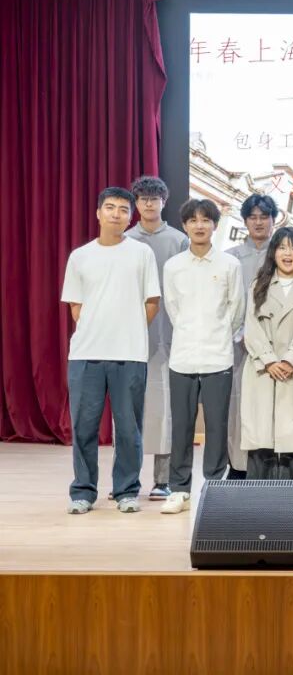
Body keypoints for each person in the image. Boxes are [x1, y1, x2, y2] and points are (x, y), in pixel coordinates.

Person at [62, 187, 160, 514]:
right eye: (110, 207)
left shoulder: (141, 253)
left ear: (130, 216)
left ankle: (126, 491)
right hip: (85, 355)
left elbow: (152, 301)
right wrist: (99, 329)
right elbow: (76, 306)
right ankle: (83, 491)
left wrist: (128, 330)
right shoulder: (80, 256)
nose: (116, 213)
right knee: (84, 427)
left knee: (129, 428)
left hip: (129, 354)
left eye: (123, 209)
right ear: (98, 213)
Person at [160, 199, 244, 514]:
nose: (199, 225)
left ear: (214, 225)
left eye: (205, 220)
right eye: (193, 220)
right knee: (181, 426)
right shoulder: (173, 266)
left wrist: (218, 335)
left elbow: (237, 309)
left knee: (216, 425)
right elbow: (173, 309)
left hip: (218, 356)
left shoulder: (229, 265)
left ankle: (214, 486)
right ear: (184, 225)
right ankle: (179, 489)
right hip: (182, 357)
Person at [240, 227, 293, 479]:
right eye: (282, 247)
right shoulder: (259, 285)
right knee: (261, 434)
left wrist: (291, 360)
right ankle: (258, 496)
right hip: (263, 370)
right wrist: (269, 360)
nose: (287, 254)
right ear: (273, 252)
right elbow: (251, 327)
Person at [125, 176, 188, 501]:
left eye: (154, 198)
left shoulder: (179, 240)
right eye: (143, 198)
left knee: (165, 411)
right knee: (128, 411)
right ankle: (126, 480)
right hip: (130, 338)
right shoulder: (124, 240)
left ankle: (162, 480)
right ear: (136, 203)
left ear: (164, 202)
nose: (149, 204)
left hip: (171, 337)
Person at [225, 193, 279, 478]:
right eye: (253, 217)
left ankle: (271, 468)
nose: (259, 222)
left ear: (274, 220)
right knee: (238, 406)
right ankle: (238, 467)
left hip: (276, 344)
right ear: (245, 221)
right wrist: (240, 333)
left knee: (273, 408)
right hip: (240, 345)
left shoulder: (282, 253)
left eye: (264, 217)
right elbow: (224, 302)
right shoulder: (231, 257)